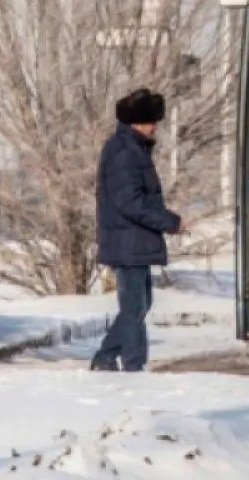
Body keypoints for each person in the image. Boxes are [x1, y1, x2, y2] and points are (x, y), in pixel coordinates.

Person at [90, 88, 184, 372]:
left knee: (139, 306)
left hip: (133, 240)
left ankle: (113, 358)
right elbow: (131, 202)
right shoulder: (124, 152)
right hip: (127, 240)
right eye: (151, 120)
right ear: (137, 121)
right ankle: (126, 363)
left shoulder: (131, 148)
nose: (155, 126)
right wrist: (169, 222)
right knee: (134, 307)